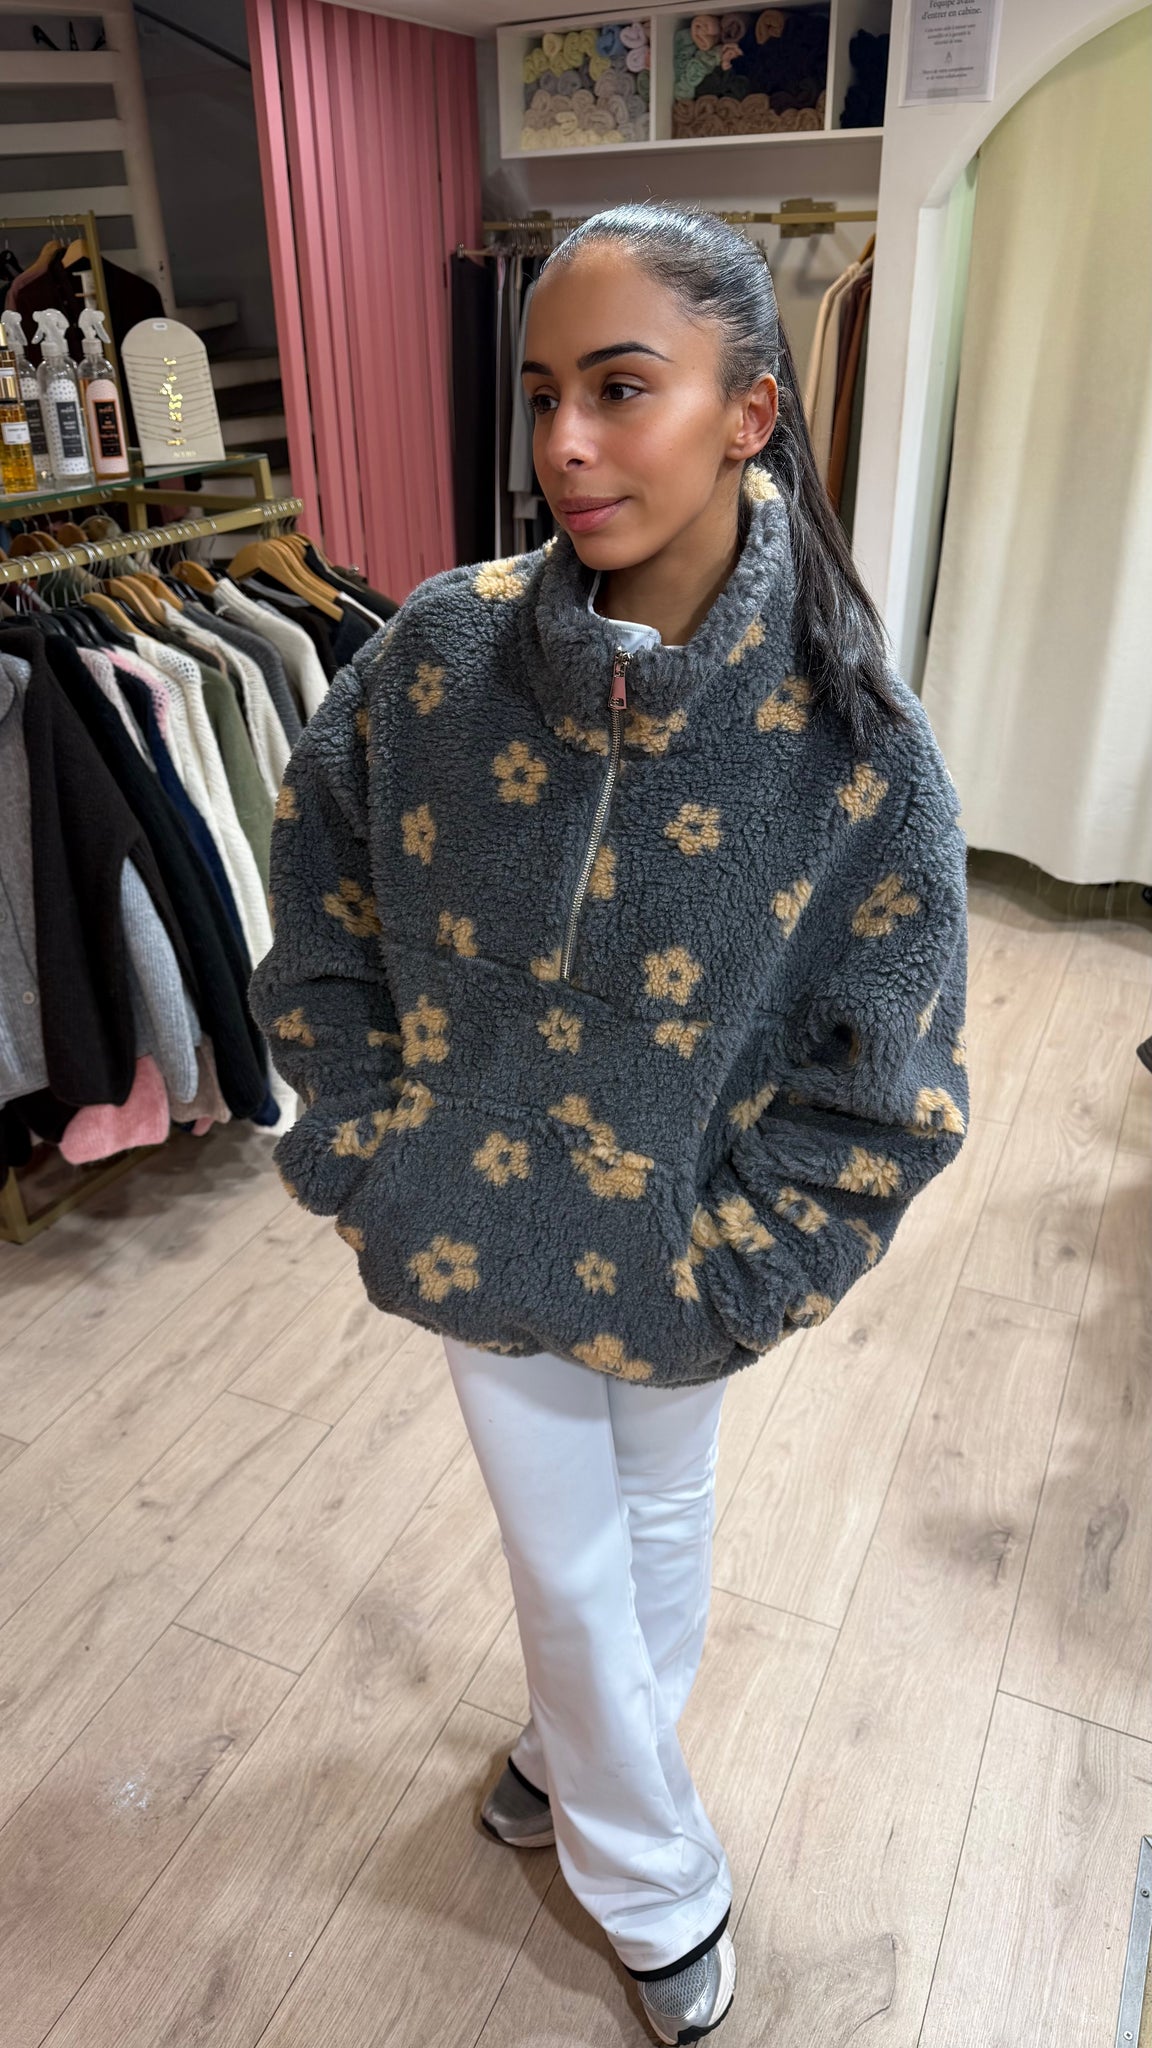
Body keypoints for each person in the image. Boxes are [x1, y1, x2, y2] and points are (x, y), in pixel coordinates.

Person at [249, 202, 970, 2044]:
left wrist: (751, 1257)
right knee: (565, 1553)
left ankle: (567, 1754)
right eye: (542, 393)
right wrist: (366, 1147)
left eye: (624, 389)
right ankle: (654, 1880)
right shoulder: (436, 655)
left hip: (687, 1245)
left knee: (657, 1519)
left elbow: (890, 1066)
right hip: (474, 1214)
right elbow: (317, 895)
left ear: (750, 411)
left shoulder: (853, 737)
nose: (565, 444)